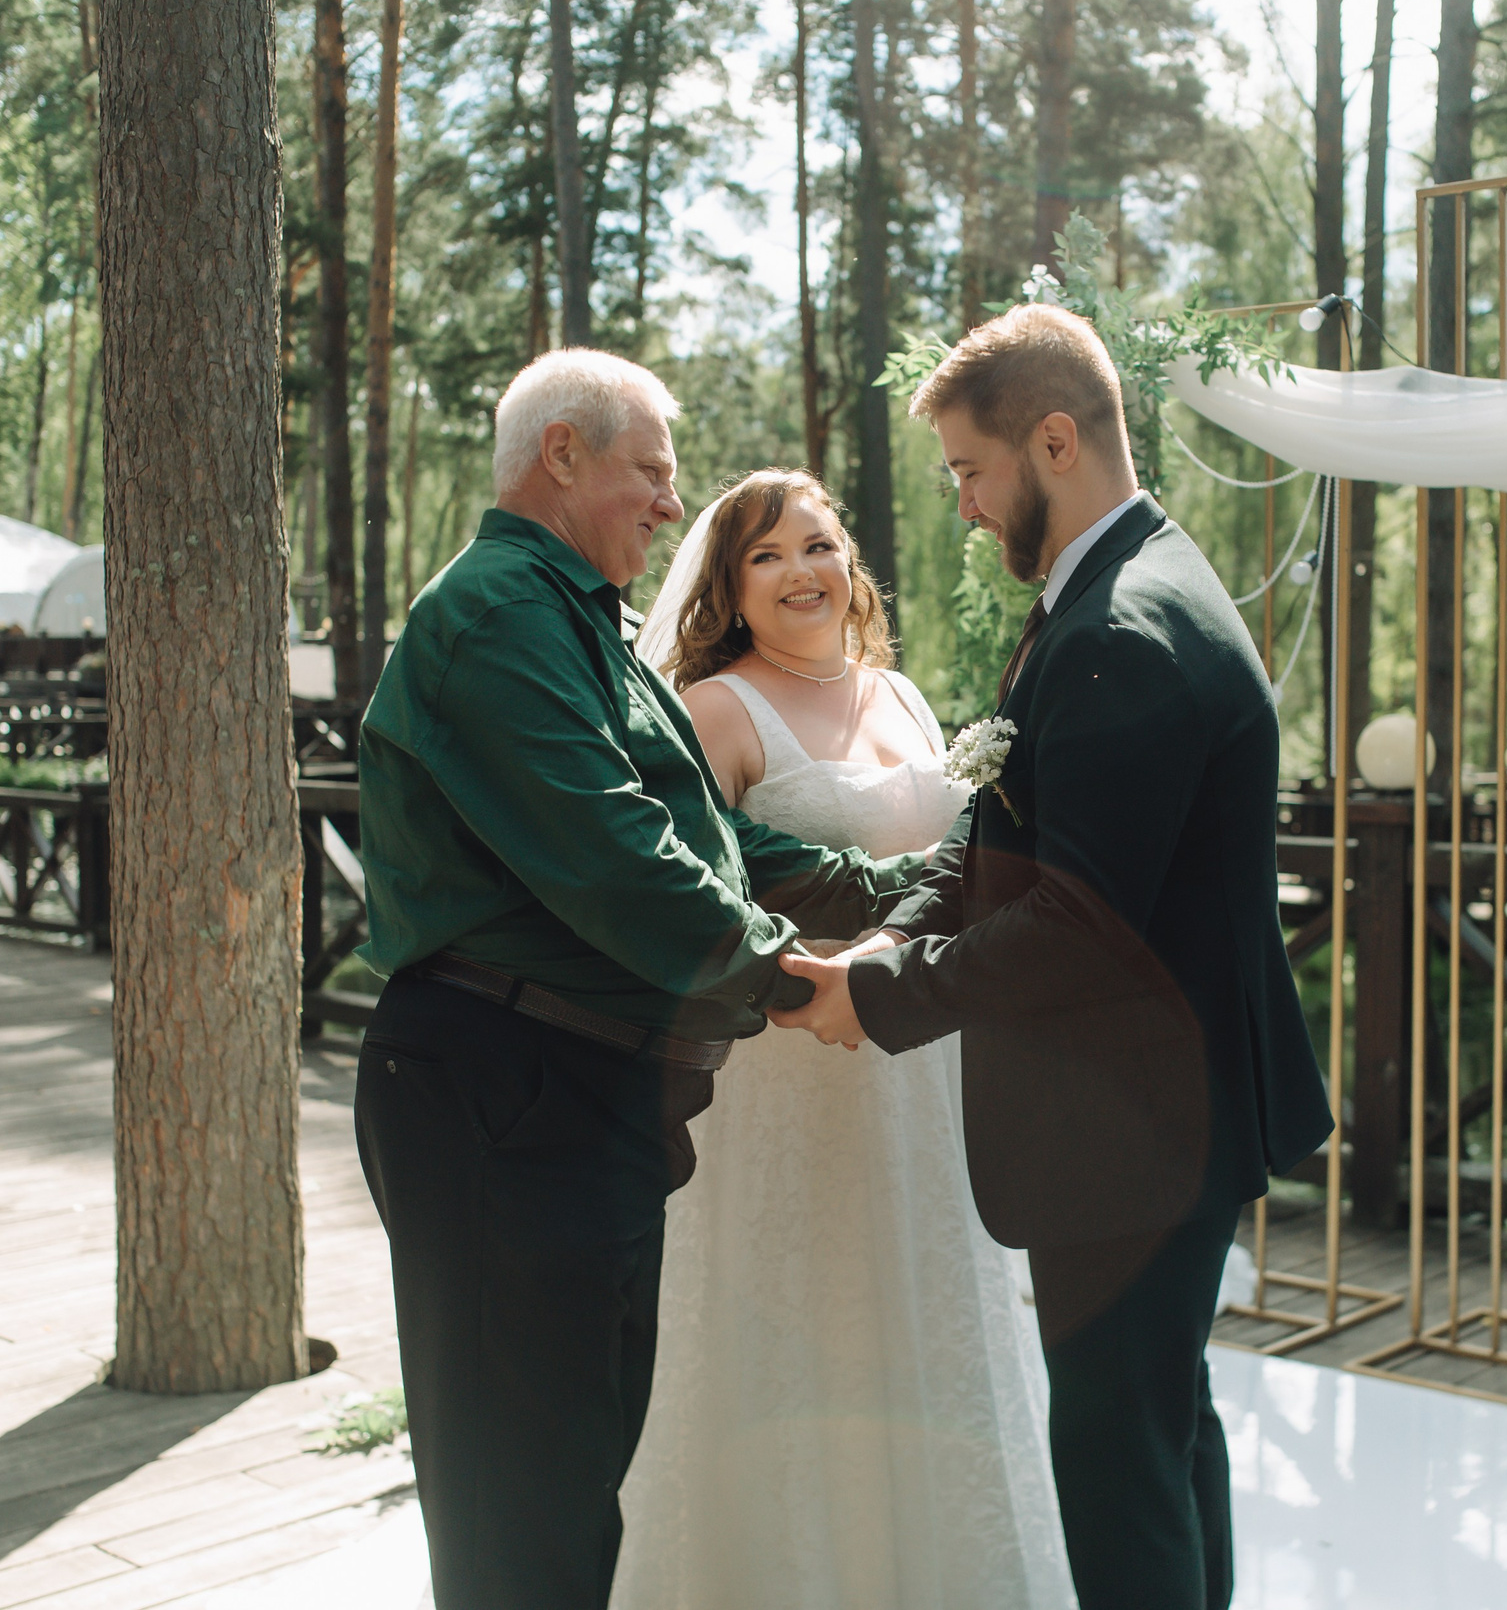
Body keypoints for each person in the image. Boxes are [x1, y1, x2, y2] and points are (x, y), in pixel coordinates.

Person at [777, 303, 1336, 1610]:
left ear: (1053, 438)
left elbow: (1081, 917)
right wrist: (899, 930)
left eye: (973, 470)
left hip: (1132, 1122)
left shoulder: (1118, 634)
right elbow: (1006, 832)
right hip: (1163, 1110)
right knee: (1159, 1419)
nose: (966, 504)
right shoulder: (1127, 585)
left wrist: (880, 992)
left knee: (1113, 1448)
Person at [352, 352, 920, 1610]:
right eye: (653, 473)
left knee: (568, 1484)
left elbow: (719, 843)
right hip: (505, 1094)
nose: (673, 507)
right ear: (563, 455)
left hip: (572, 1097)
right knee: (524, 1510)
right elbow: (609, 849)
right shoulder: (501, 613)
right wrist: (785, 980)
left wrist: (901, 889)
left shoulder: (575, 620)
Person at [613, 469, 1074, 1610]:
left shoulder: (903, 697)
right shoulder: (718, 707)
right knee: (800, 1324)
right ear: (726, 586)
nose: (800, 572)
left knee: (928, 1309)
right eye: (766, 556)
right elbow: (701, 894)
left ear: (849, 563)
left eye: (817, 545)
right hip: (790, 1072)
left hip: (923, 1066)